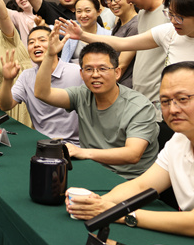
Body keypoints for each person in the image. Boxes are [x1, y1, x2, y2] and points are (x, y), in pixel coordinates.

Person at [68, 62, 194, 244]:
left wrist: (118, 213)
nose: (173, 109)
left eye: (183, 99)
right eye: (165, 101)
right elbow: (141, 186)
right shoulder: (180, 139)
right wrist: (94, 203)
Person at [34, 31, 158, 178]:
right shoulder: (82, 95)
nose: (95, 75)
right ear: (81, 74)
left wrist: (83, 152)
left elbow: (132, 154)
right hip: (93, 170)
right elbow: (42, 93)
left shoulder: (139, 107)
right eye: (89, 69)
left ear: (117, 72)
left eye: (102, 69)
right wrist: (50, 55)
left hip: (130, 179)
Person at [59, 0, 194, 84]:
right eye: (170, 14)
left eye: (179, 17)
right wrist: (82, 35)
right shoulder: (169, 32)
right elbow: (123, 43)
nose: (173, 21)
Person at [0, 26, 81, 144]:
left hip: (75, 144)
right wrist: (7, 80)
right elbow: (5, 105)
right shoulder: (27, 76)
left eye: (42, 40)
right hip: (42, 143)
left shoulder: (77, 72)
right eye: (31, 42)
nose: (36, 45)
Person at [117, 0, 168, 115]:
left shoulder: (172, 11)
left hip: (162, 102)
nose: (128, 1)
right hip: (142, 99)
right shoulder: (142, 14)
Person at [59, 0, 112, 64]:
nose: (83, 15)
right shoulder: (71, 30)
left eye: (88, 11)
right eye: (79, 11)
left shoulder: (108, 35)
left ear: (98, 12)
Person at [106, 0, 138, 88]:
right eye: (109, 0)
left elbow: (122, 65)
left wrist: (105, 86)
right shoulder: (119, 23)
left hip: (126, 87)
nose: (113, 3)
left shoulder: (135, 25)